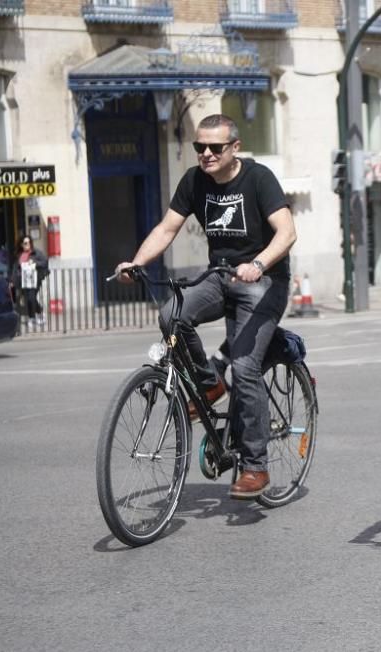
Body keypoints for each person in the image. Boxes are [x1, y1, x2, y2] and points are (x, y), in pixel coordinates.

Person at [115, 114, 296, 500]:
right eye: (200, 147)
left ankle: (256, 467)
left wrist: (259, 264)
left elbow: (287, 232)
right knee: (170, 316)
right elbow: (167, 228)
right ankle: (208, 383)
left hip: (264, 280)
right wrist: (136, 263)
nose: (206, 154)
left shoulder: (259, 178)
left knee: (246, 367)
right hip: (220, 275)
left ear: (235, 147)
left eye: (215, 147)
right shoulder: (194, 181)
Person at [10, 235, 49, 328]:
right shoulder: (19, 255)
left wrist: (35, 263)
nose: (27, 245)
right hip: (23, 280)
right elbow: (16, 269)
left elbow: (45, 262)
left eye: (29, 243)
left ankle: (33, 317)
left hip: (35, 279)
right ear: (21, 244)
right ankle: (37, 315)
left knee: (31, 298)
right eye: (25, 243)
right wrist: (12, 281)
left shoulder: (36, 253)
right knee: (29, 299)